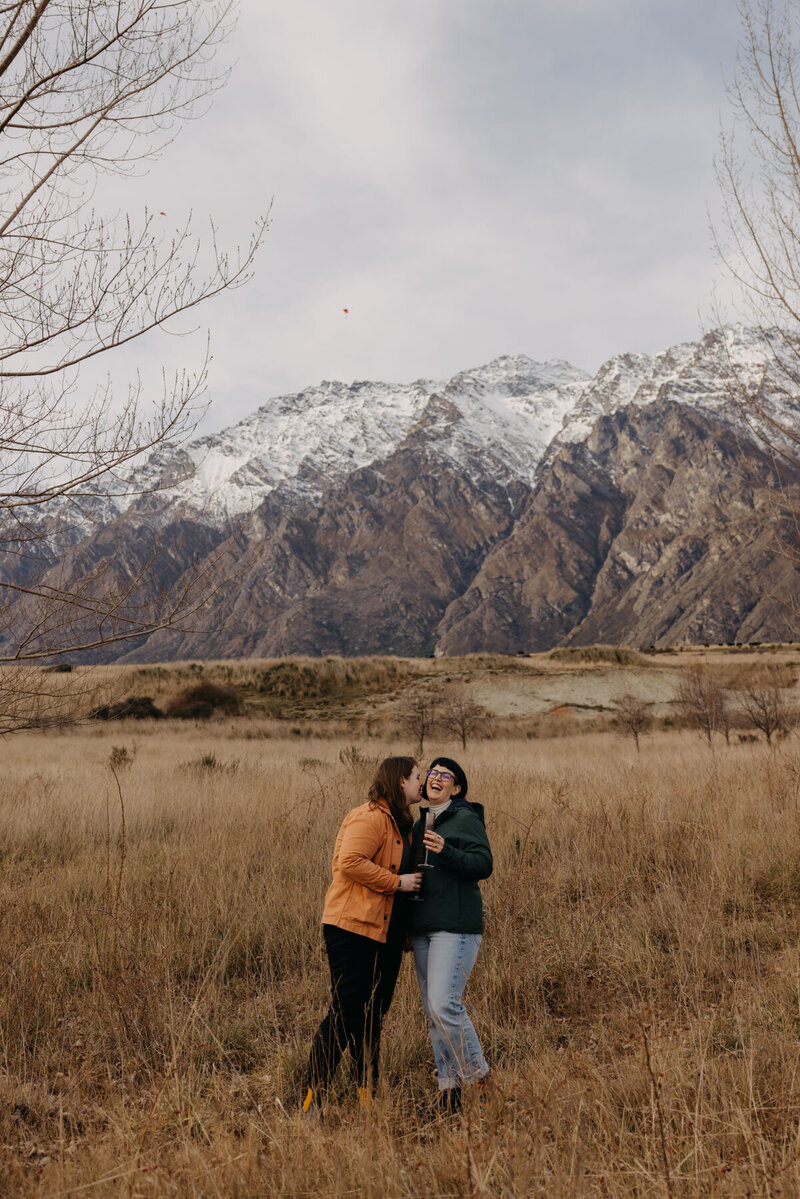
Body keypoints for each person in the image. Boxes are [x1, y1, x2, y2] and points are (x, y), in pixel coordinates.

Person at [301, 756, 423, 1115]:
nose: (422, 781)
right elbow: (349, 862)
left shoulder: (405, 825)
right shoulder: (369, 816)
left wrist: (405, 931)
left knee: (374, 1014)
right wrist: (396, 883)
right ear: (400, 781)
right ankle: (311, 1098)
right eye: (417, 776)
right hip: (351, 927)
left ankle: (365, 1094)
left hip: (385, 933)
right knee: (346, 1011)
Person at [409, 756, 493, 1113]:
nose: (436, 777)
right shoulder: (419, 824)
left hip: (455, 927)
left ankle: (479, 1079)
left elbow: (483, 864)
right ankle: (450, 1089)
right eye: (432, 773)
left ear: (456, 788)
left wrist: (448, 850)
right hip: (423, 929)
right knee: (433, 1011)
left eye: (446, 775)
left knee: (445, 1003)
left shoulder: (465, 818)